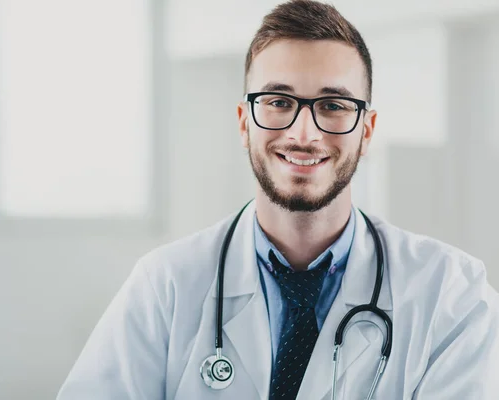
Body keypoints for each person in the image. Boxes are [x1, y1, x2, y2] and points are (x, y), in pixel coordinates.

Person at [57, 1, 499, 399]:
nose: (303, 133)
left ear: (367, 130)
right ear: (244, 123)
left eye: (333, 106)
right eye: (277, 101)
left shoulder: (452, 296)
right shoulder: (165, 287)